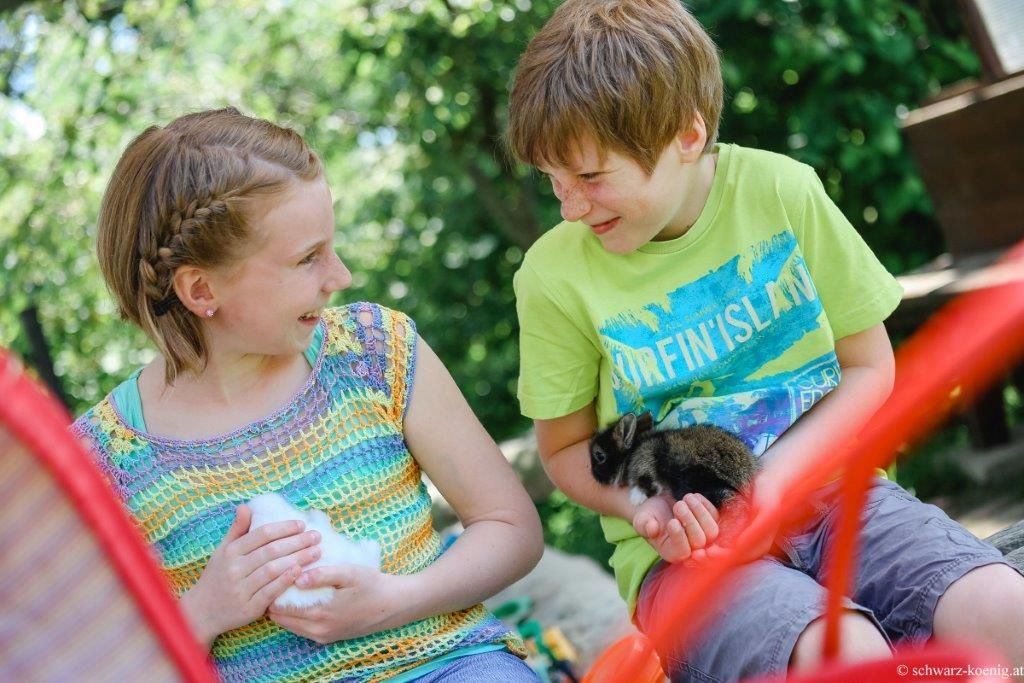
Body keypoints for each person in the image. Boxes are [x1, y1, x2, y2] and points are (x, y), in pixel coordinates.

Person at [504, 1, 1024, 680]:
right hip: (689, 560)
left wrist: (774, 483)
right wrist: (646, 504)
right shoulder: (552, 276)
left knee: (1004, 610)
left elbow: (868, 368)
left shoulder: (784, 191)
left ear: (687, 135)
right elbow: (564, 448)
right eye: (553, 181)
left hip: (838, 497)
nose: (569, 206)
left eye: (590, 177)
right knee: (846, 659)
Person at [71, 107, 543, 682]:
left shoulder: (372, 349)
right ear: (201, 290)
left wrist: (394, 601)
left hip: (450, 666)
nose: (340, 276)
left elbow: (509, 527)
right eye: (307, 258)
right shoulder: (104, 460)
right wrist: (201, 613)